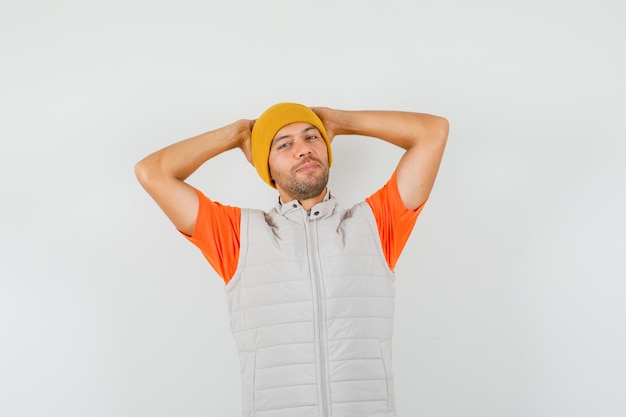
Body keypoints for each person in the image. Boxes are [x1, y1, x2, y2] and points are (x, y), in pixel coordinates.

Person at [135, 102, 449, 417]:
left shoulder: (375, 225)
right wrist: (238, 133)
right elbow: (152, 172)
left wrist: (339, 121)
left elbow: (433, 132)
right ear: (265, 166)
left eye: (312, 138)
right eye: (284, 144)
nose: (303, 150)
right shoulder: (238, 235)